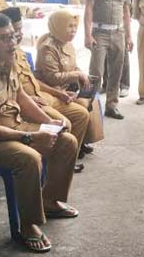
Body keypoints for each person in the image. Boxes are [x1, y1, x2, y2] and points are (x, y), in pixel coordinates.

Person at [0, 13, 78, 253]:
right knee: (29, 158)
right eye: (4, 38)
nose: (13, 42)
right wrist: (30, 137)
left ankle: (49, 201)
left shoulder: (6, 59)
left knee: (67, 141)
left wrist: (49, 122)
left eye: (13, 35)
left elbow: (21, 97)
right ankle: (28, 225)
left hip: (12, 124)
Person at [5, 7, 89, 172]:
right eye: (15, 31)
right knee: (64, 125)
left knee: (81, 114)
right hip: (28, 103)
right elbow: (11, 91)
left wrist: (59, 93)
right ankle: (53, 167)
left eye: (21, 29)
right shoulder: (4, 57)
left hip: (41, 95)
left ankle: (67, 161)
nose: (20, 34)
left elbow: (33, 80)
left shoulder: (19, 51)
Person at [36, 10, 105, 158]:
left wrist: (82, 75)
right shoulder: (48, 48)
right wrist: (76, 75)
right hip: (51, 91)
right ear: (58, 26)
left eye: (75, 26)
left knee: (91, 100)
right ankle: (70, 150)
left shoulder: (67, 44)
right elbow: (52, 78)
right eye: (69, 26)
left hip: (66, 88)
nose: (73, 30)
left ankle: (82, 142)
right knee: (82, 109)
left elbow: (74, 67)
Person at [84, 0, 133, 120]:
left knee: (116, 71)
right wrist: (87, 35)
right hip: (100, 33)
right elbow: (88, 8)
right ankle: (89, 105)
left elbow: (126, 11)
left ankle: (112, 105)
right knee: (96, 71)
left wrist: (129, 36)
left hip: (118, 33)